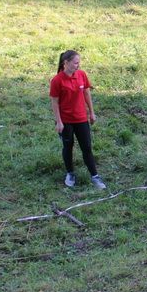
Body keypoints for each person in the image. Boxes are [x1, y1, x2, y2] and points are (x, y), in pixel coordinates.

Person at [49, 50, 106, 189]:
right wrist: (59, 121)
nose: (78, 65)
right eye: (75, 63)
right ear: (65, 63)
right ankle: (70, 173)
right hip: (66, 121)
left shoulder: (81, 75)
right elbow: (54, 102)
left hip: (81, 118)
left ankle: (95, 176)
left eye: (79, 63)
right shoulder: (57, 80)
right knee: (68, 147)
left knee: (86, 147)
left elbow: (87, 93)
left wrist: (92, 113)